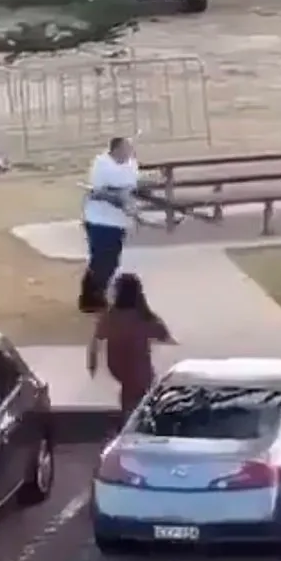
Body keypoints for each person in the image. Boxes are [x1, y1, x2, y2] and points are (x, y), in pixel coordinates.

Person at [87, 272, 174, 420]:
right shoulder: (143, 317)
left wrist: (92, 363)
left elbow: (97, 339)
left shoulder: (110, 317)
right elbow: (164, 335)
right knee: (140, 398)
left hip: (119, 369)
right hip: (141, 370)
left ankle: (129, 422)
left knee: (130, 398)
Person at [79, 137, 139, 313]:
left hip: (119, 221)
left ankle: (98, 294)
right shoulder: (102, 165)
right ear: (115, 150)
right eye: (125, 149)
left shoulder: (131, 164)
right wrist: (120, 200)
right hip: (99, 220)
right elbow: (99, 191)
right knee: (101, 260)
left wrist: (131, 202)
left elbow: (132, 186)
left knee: (112, 260)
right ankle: (91, 298)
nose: (128, 152)